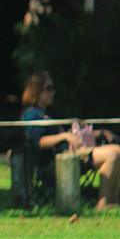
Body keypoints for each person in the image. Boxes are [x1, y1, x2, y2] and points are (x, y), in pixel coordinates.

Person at [22, 71, 120, 212]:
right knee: (112, 155)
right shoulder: (31, 115)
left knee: (118, 150)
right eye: (48, 88)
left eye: (53, 88)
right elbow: (39, 142)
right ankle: (102, 204)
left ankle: (113, 201)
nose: (52, 92)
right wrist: (64, 137)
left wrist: (102, 133)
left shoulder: (51, 113)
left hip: (76, 151)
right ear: (36, 91)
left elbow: (73, 132)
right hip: (57, 159)